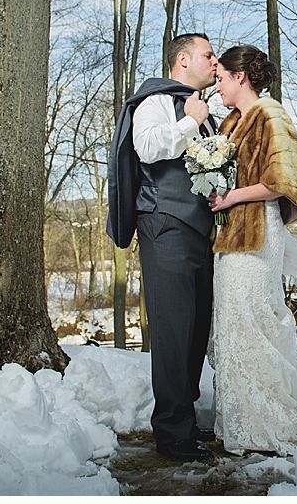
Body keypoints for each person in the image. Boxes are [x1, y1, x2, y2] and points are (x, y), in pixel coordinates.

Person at [107, 33, 219, 463]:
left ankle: (185, 420)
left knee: (195, 328)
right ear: (183, 60)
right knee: (172, 329)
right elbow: (149, 148)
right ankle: (172, 435)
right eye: (208, 55)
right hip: (165, 225)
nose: (213, 62)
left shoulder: (204, 111)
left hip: (201, 232)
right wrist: (191, 120)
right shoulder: (154, 100)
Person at [207, 45, 297, 457]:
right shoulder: (230, 122)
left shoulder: (271, 115)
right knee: (232, 323)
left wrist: (232, 196)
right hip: (229, 235)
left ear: (241, 77)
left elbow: (281, 183)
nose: (217, 85)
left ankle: (273, 421)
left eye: (221, 78)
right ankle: (241, 420)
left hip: (257, 234)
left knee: (253, 318)